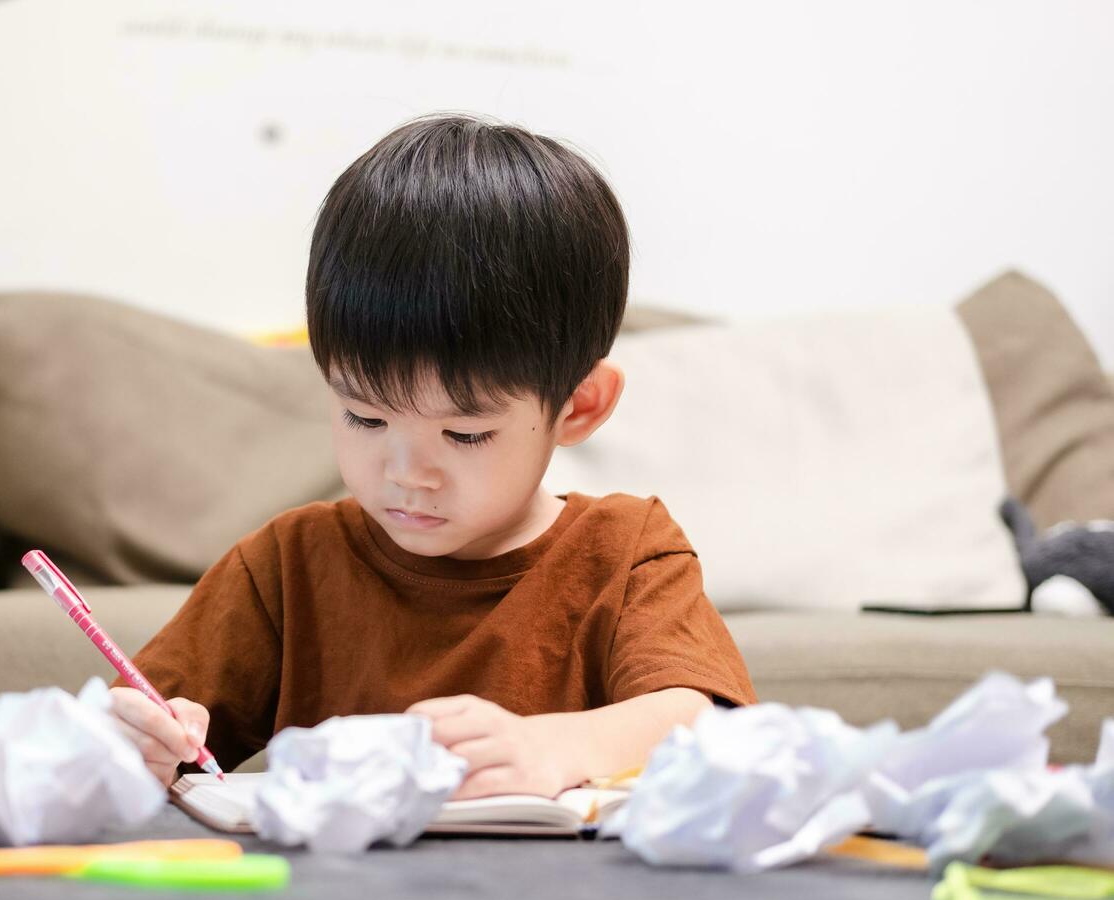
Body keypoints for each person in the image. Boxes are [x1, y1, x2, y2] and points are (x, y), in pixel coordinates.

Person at [111, 112, 755, 800]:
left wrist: (553, 746)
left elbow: (706, 724)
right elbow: (140, 728)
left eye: (465, 434)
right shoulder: (286, 569)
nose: (405, 473)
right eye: (364, 415)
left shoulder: (627, 554)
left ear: (579, 406)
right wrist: (134, 745)